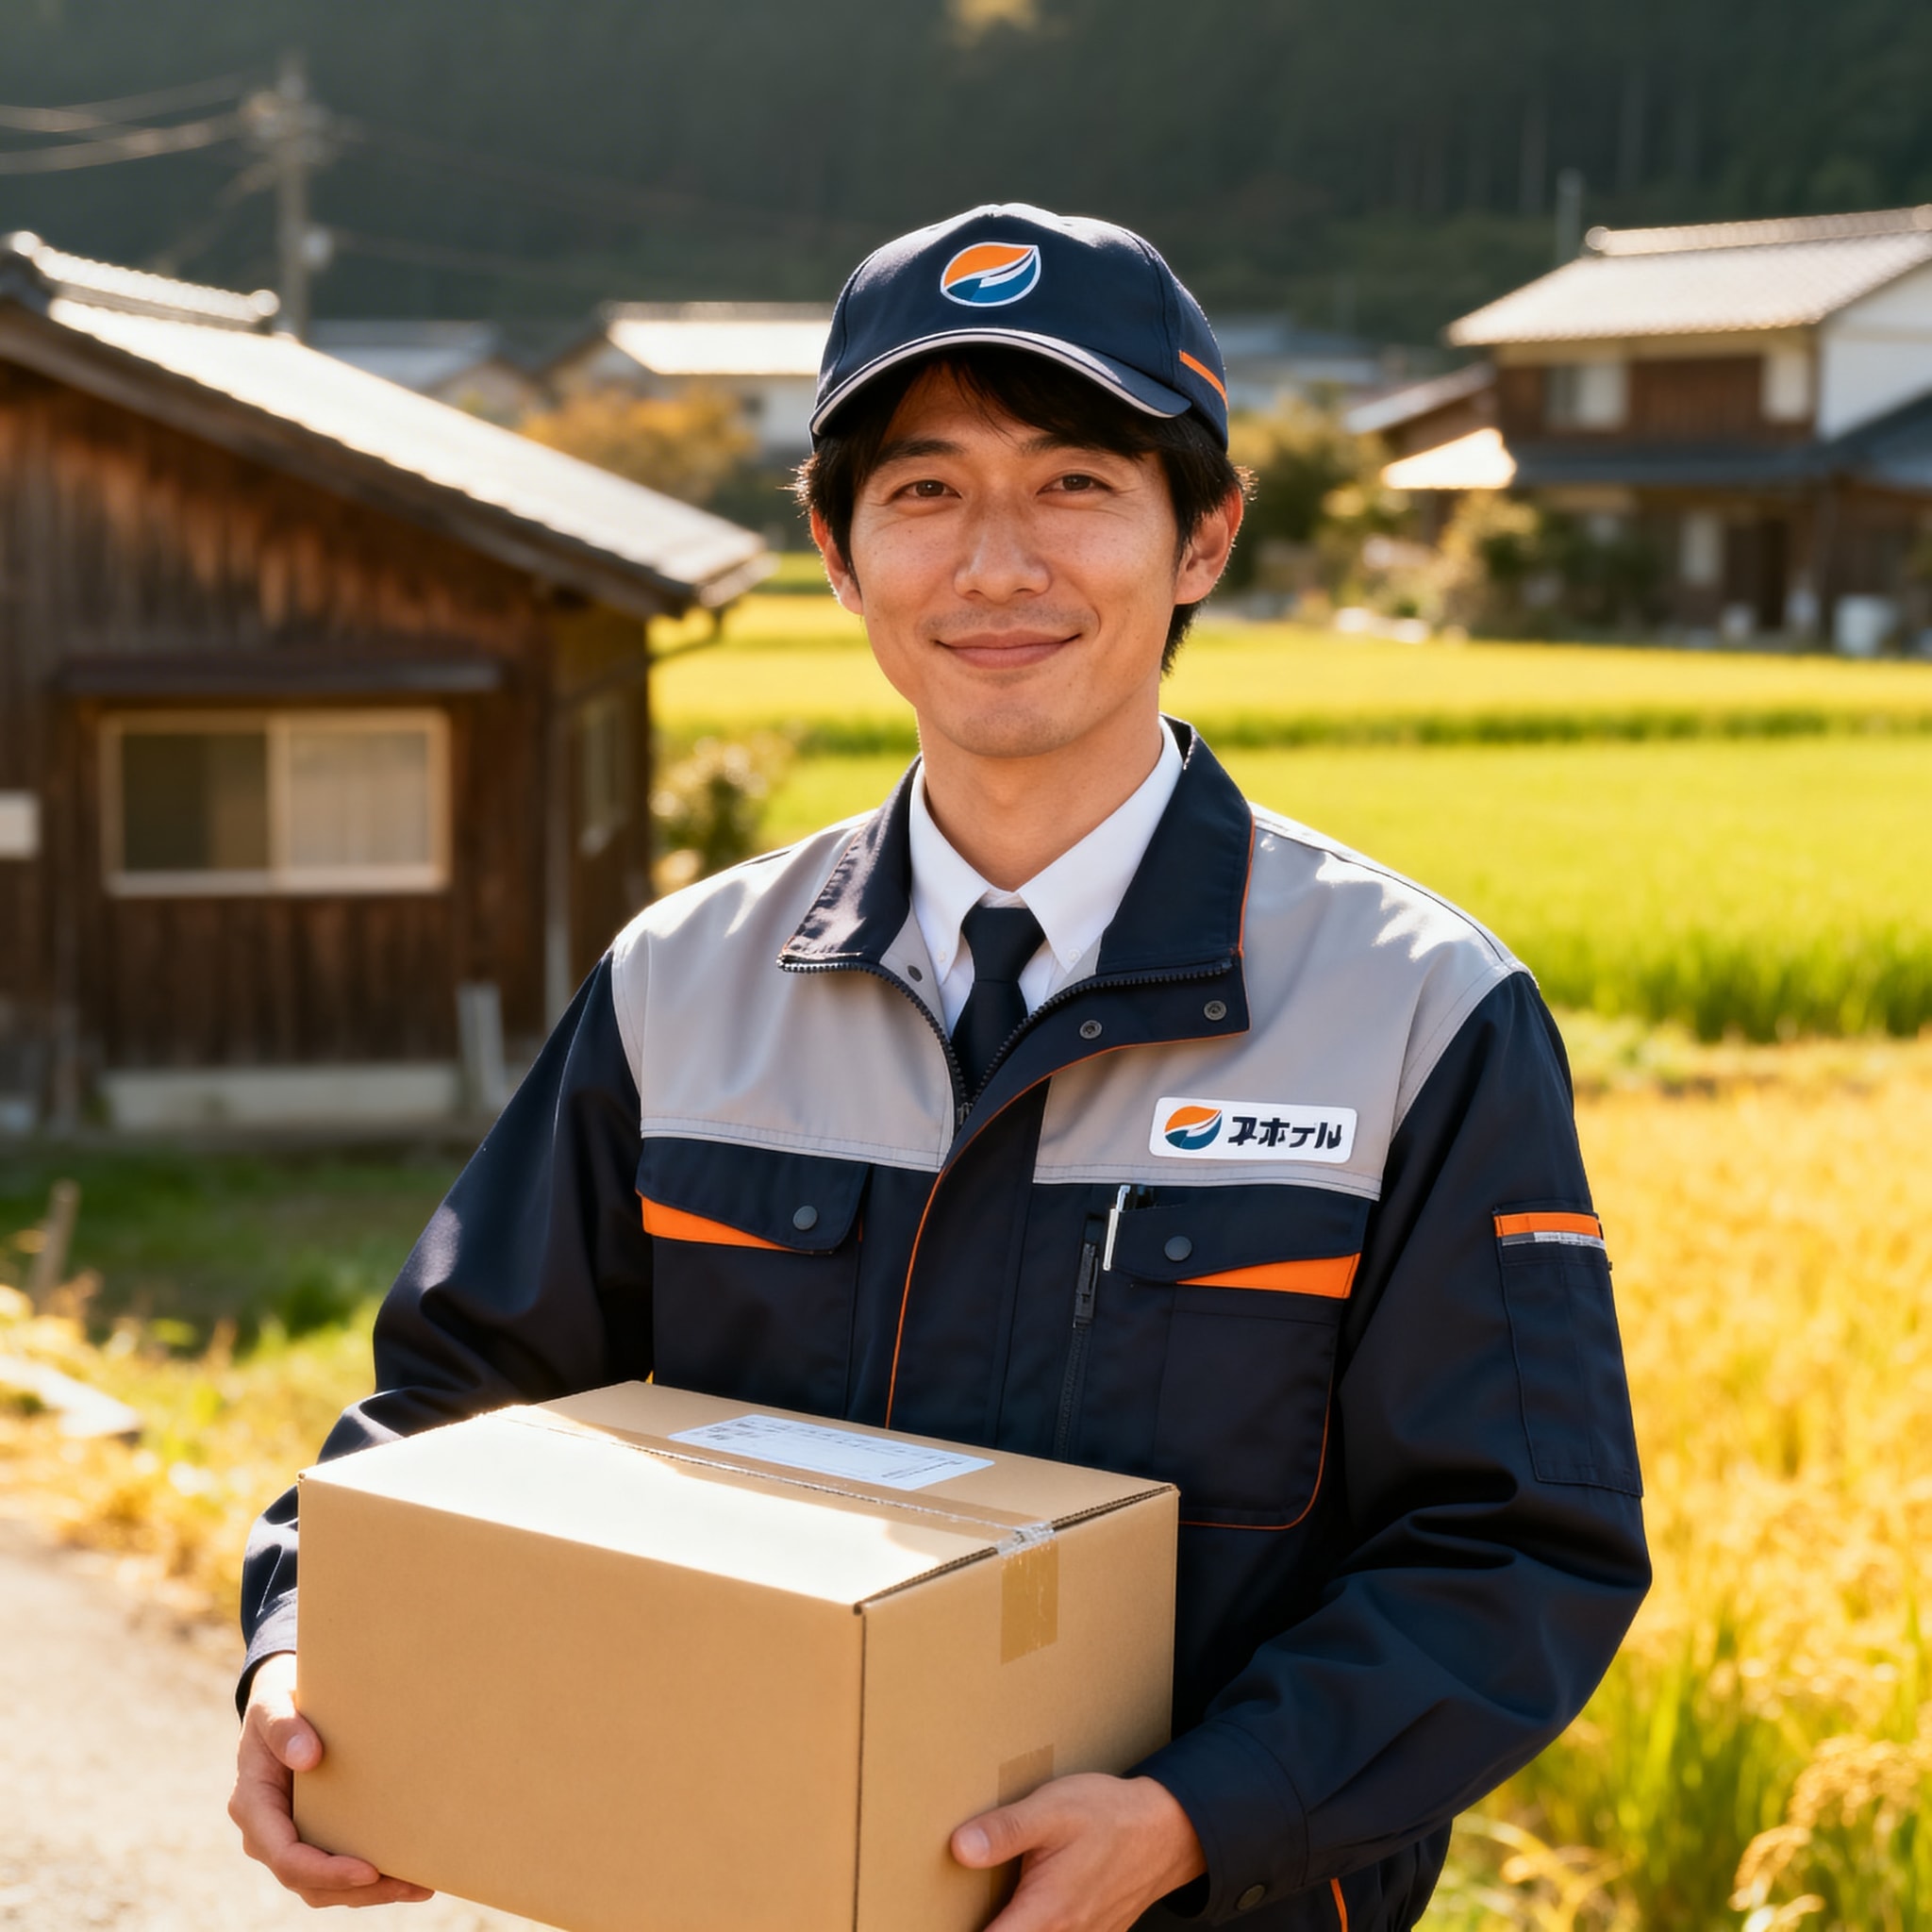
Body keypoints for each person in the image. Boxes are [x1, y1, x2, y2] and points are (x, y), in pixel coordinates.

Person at [230, 204, 1648, 1932]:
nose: (996, 566)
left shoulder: (1412, 1009)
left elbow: (1518, 1544)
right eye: (924, 491)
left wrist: (1195, 1817)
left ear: (1202, 538)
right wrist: (304, 1648)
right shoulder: (684, 983)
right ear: (839, 555)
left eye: (1075, 483)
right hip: (722, 1889)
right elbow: (457, 1406)